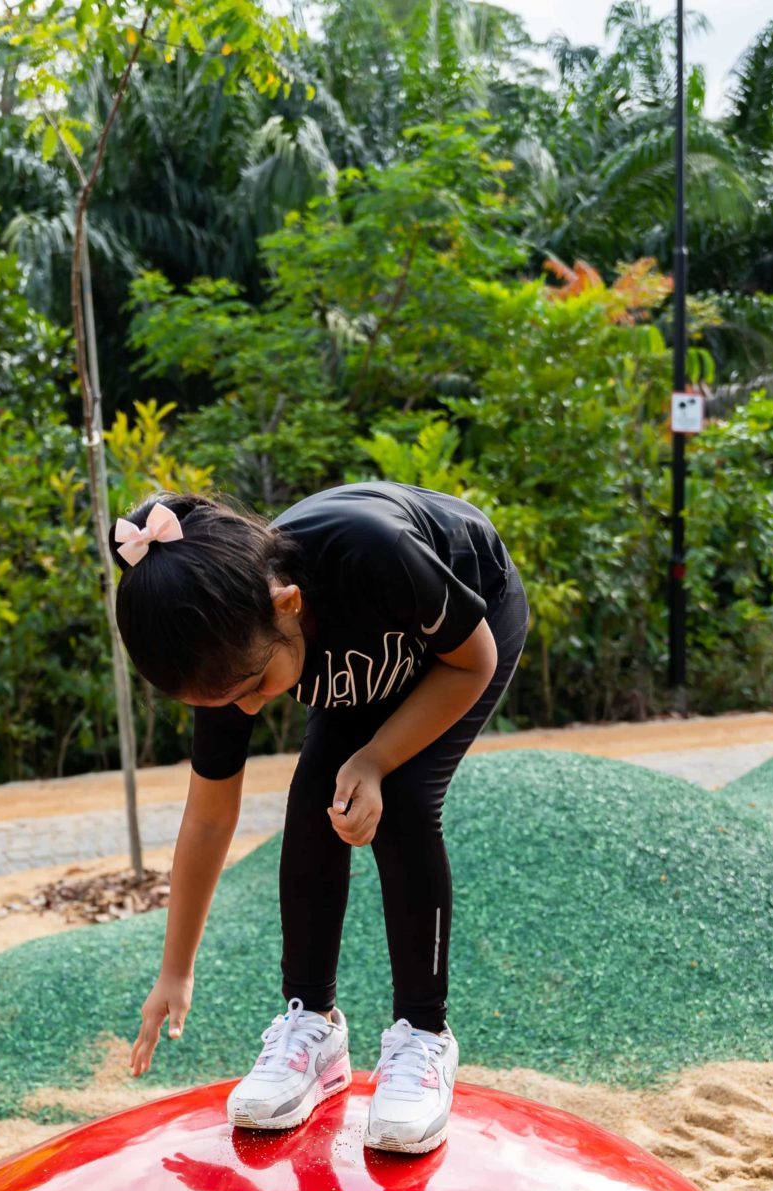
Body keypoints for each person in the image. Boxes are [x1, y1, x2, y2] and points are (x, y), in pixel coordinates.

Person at [114, 483, 527, 1154]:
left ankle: (425, 1035)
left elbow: (473, 661)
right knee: (315, 797)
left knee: (402, 799)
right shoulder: (228, 646)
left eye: (256, 688)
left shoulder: (375, 554)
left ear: (288, 605)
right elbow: (209, 817)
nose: (247, 710)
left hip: (467, 628)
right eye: (227, 700)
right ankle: (314, 1027)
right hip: (352, 646)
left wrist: (377, 757)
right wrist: (175, 969)